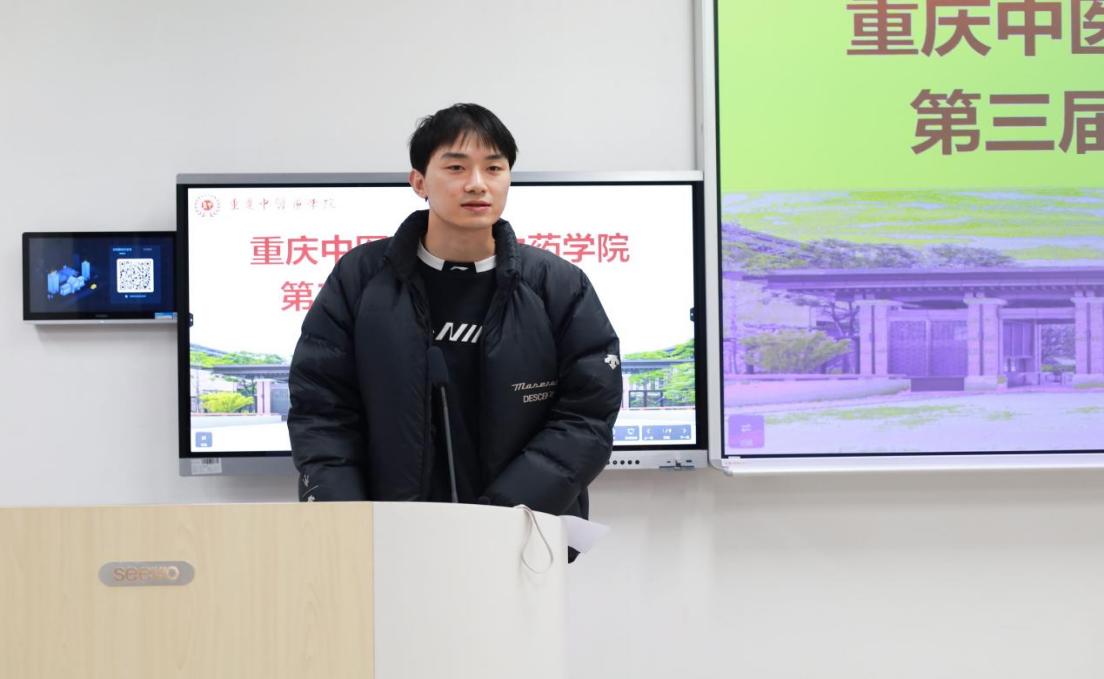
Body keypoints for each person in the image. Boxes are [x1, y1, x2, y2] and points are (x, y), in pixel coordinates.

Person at [287, 103, 621, 537]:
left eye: (494, 168)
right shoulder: (361, 279)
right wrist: (348, 524)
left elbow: (588, 415)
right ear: (419, 182)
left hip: (522, 535)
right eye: (456, 167)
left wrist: (502, 516)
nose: (477, 183)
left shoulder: (556, 284)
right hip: (388, 534)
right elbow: (321, 408)